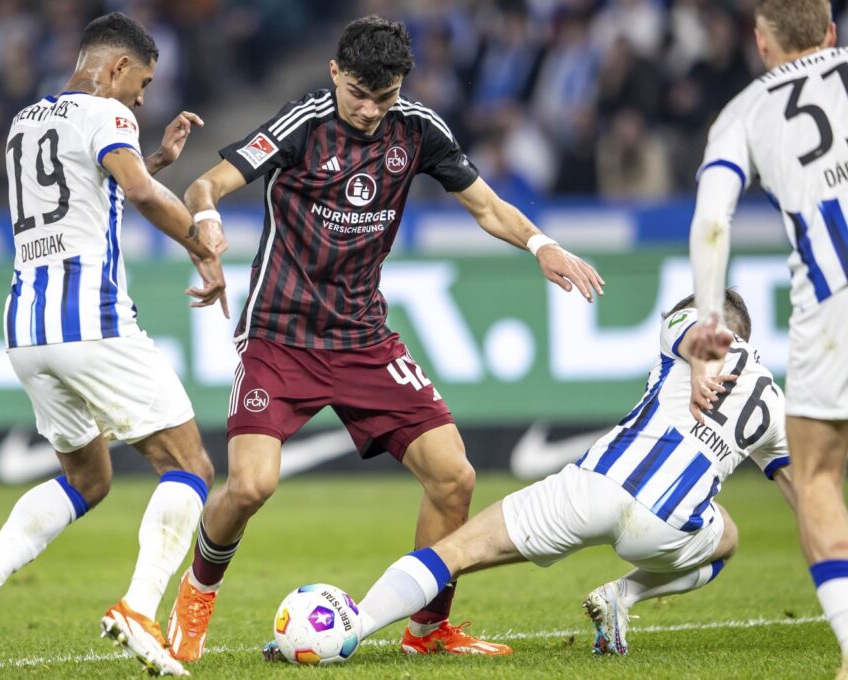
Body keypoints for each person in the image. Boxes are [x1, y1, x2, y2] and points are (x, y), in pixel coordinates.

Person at [164, 15, 604, 662]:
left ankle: (426, 631)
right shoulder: (302, 124)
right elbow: (206, 183)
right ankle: (196, 596)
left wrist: (541, 244)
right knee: (252, 486)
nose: (371, 111)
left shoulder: (419, 129)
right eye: (359, 95)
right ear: (335, 72)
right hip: (279, 337)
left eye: (386, 97)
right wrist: (205, 221)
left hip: (364, 339)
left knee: (454, 476)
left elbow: (485, 204)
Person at [309, 292, 848, 662]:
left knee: (454, 551)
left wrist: (697, 359)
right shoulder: (775, 405)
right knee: (726, 535)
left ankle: (349, 629)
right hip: (669, 528)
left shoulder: (696, 332)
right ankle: (624, 595)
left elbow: (685, 326)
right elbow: (815, 508)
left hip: (591, 487)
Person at [0, 12, 227, 677]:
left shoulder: (25, 122)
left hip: (27, 330)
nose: (143, 100)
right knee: (190, 464)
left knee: (87, 479)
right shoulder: (106, 113)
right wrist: (200, 246)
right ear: (116, 68)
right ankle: (139, 608)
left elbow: (84, 194)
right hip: (89, 319)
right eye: (142, 83)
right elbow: (139, 193)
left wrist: (152, 162)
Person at [684, 1, 848, 678]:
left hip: (837, 281)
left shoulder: (744, 112)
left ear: (760, 41)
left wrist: (707, 313)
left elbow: (712, 221)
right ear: (832, 32)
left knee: (815, 477)